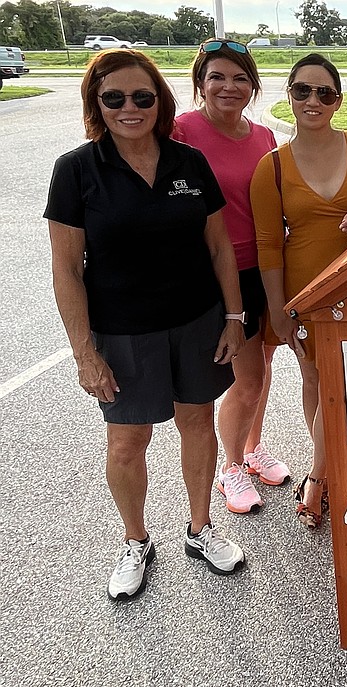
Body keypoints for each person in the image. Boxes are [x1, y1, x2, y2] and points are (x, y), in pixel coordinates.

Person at [46, 49, 248, 600]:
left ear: (160, 102)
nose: (129, 108)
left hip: (196, 321)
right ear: (96, 105)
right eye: (114, 98)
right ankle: (135, 539)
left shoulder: (189, 163)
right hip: (122, 331)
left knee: (198, 423)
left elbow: (219, 247)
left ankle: (201, 529)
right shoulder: (76, 171)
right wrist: (84, 353)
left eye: (142, 97)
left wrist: (233, 317)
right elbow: (66, 270)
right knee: (127, 440)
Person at [251, 54, 347, 529]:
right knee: (319, 380)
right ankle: (323, 473)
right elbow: (269, 245)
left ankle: (323, 468)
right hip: (305, 292)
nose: (313, 101)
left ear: (338, 99)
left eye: (324, 92)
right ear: (288, 95)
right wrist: (278, 311)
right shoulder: (271, 167)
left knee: (342, 378)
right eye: (302, 91)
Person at [173, 38, 291, 516]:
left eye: (240, 78)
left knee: (263, 370)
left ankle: (251, 448)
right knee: (246, 379)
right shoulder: (181, 130)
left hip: (264, 267)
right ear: (200, 83)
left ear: (253, 87)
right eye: (217, 77)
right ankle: (229, 467)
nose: (229, 86)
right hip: (218, 272)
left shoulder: (263, 136)